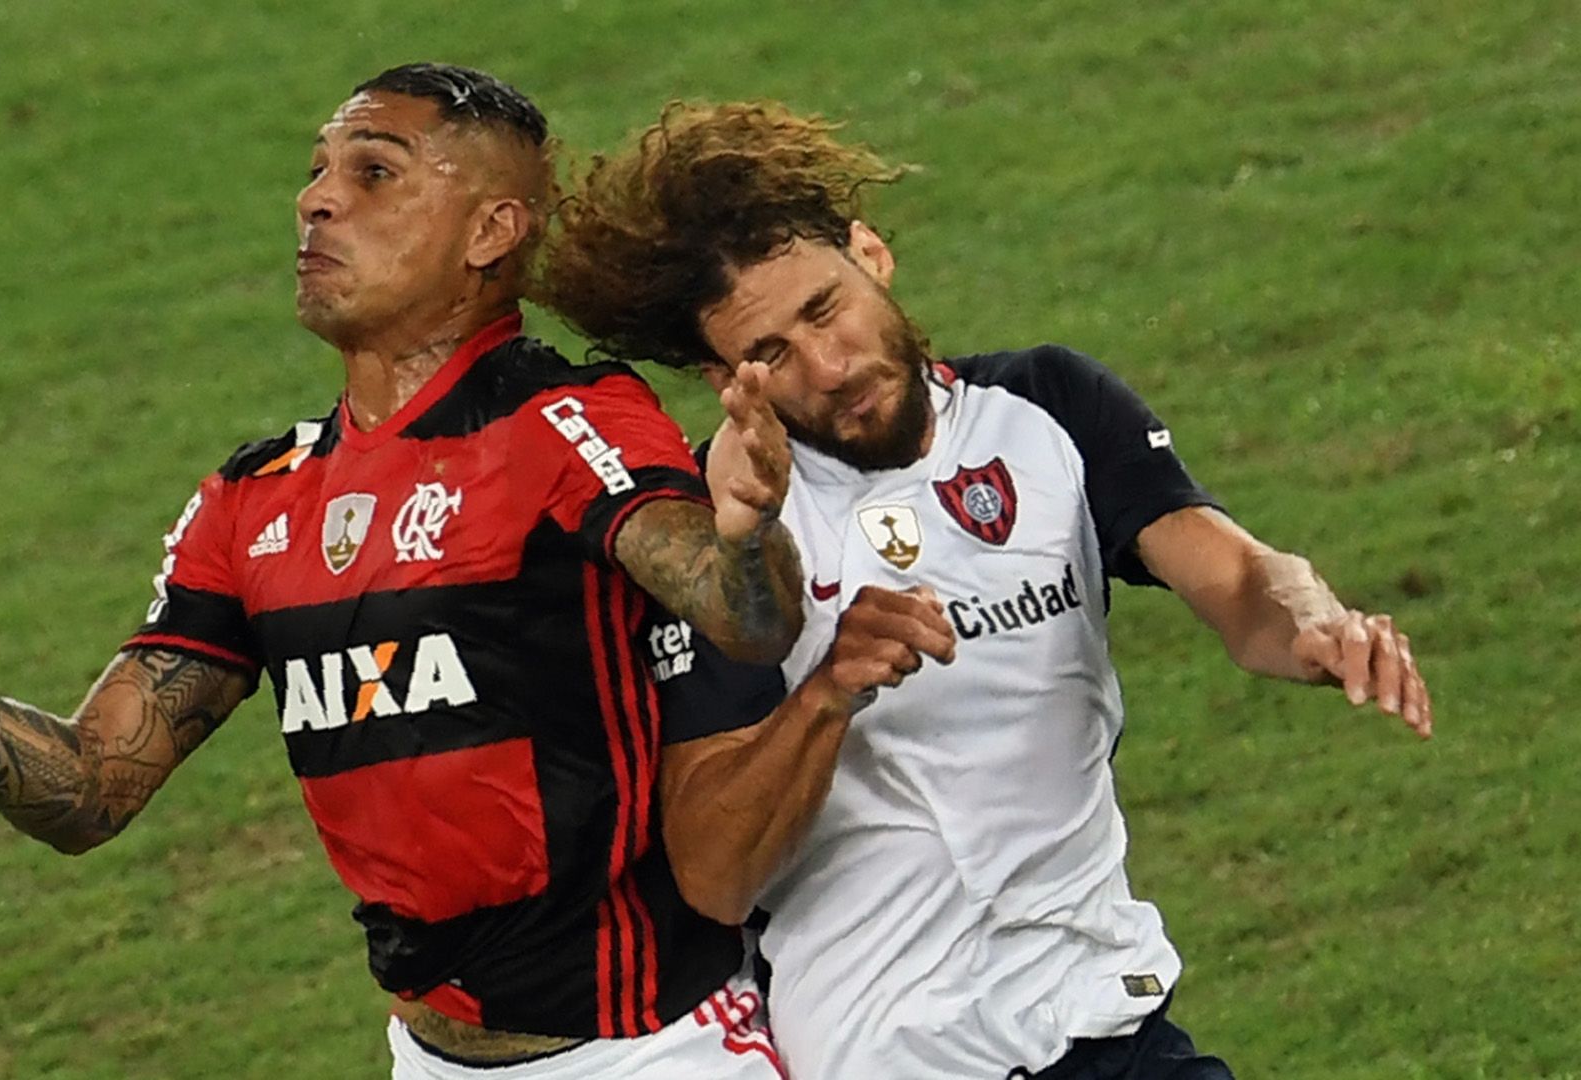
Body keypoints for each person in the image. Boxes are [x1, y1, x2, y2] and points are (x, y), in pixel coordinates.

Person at [0, 66, 804, 1080]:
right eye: (316, 172)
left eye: (375, 172)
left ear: (490, 232)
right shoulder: (254, 500)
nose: (317, 199)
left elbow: (746, 618)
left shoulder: (561, 423)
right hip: (429, 1057)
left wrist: (747, 531)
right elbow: (91, 792)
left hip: (649, 1051)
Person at [540, 101, 1433, 1080]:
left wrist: (1315, 622)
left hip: (1103, 1025)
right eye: (772, 355)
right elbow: (712, 877)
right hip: (886, 1052)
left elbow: (1240, 581)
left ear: (871, 255)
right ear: (726, 378)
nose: (829, 369)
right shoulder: (725, 534)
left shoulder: (1048, 411)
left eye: (824, 309)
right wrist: (829, 694)